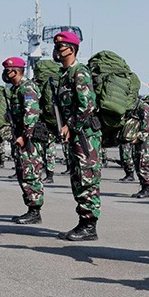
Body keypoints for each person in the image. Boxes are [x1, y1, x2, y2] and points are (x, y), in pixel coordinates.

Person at [53, 31, 102, 241]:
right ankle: (83, 222)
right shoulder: (64, 75)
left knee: (87, 177)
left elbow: (87, 104)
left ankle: (89, 225)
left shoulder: (79, 72)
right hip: (75, 134)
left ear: (71, 49)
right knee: (77, 178)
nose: (57, 50)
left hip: (85, 135)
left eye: (61, 47)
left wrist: (71, 125)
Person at [2, 57, 45, 224]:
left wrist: (24, 136)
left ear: (16, 71)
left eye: (7, 70)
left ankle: (35, 211)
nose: (5, 74)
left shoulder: (27, 88)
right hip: (21, 136)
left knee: (30, 173)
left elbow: (32, 113)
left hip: (29, 139)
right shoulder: (16, 89)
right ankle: (31, 207)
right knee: (23, 172)